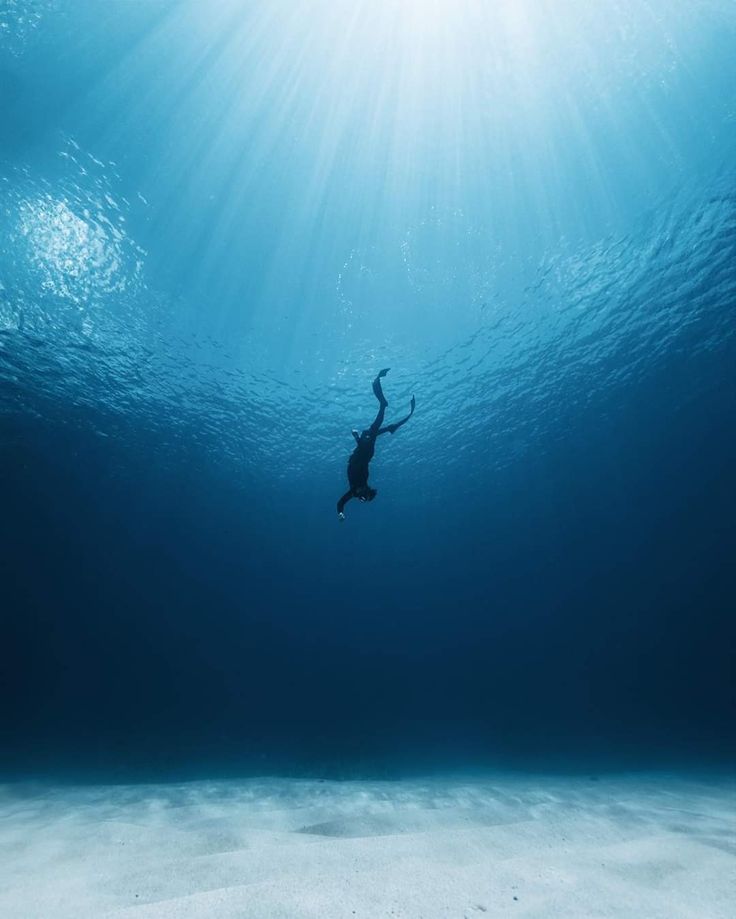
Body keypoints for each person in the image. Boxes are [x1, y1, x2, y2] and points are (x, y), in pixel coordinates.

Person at [337, 369, 415, 519]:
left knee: (373, 431)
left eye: (361, 498)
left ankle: (385, 414)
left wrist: (341, 513)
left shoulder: (353, 491)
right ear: (366, 490)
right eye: (364, 496)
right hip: (365, 450)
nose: (360, 495)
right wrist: (357, 439)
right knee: (373, 430)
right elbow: (361, 461)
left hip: (363, 449)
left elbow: (340, 503)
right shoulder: (363, 479)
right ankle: (384, 407)